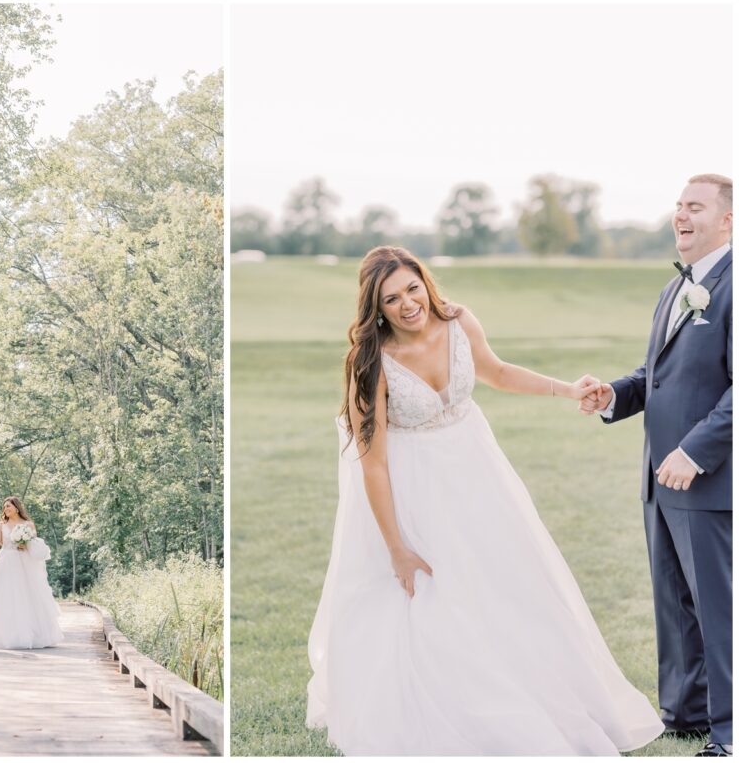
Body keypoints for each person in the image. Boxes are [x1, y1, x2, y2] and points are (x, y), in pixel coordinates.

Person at [306, 246, 664, 755]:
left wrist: (567, 389)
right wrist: (397, 547)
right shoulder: (371, 363)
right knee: (432, 596)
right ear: (375, 308)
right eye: (392, 299)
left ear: (425, 282)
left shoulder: (457, 321)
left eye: (412, 288)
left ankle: (529, 687)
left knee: (506, 583)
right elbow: (374, 463)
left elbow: (496, 372)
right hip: (413, 493)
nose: (408, 304)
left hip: (478, 477)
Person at [580, 174, 732, 757]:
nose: (681, 215)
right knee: (674, 603)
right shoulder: (677, 289)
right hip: (658, 476)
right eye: (678, 206)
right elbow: (659, 373)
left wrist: (695, 451)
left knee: (718, 608)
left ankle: (730, 730)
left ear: (727, 220)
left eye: (695, 207)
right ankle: (687, 713)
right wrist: (615, 396)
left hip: (707, 477)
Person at [0, 496, 64, 649]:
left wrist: (26, 546)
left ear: (16, 508)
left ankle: (32, 634)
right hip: (6, 564)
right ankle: (7, 636)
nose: (5, 509)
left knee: (27, 596)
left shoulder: (28, 525)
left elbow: (35, 544)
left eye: (8, 506)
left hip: (24, 564)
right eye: (4, 506)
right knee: (5, 597)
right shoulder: (1, 526)